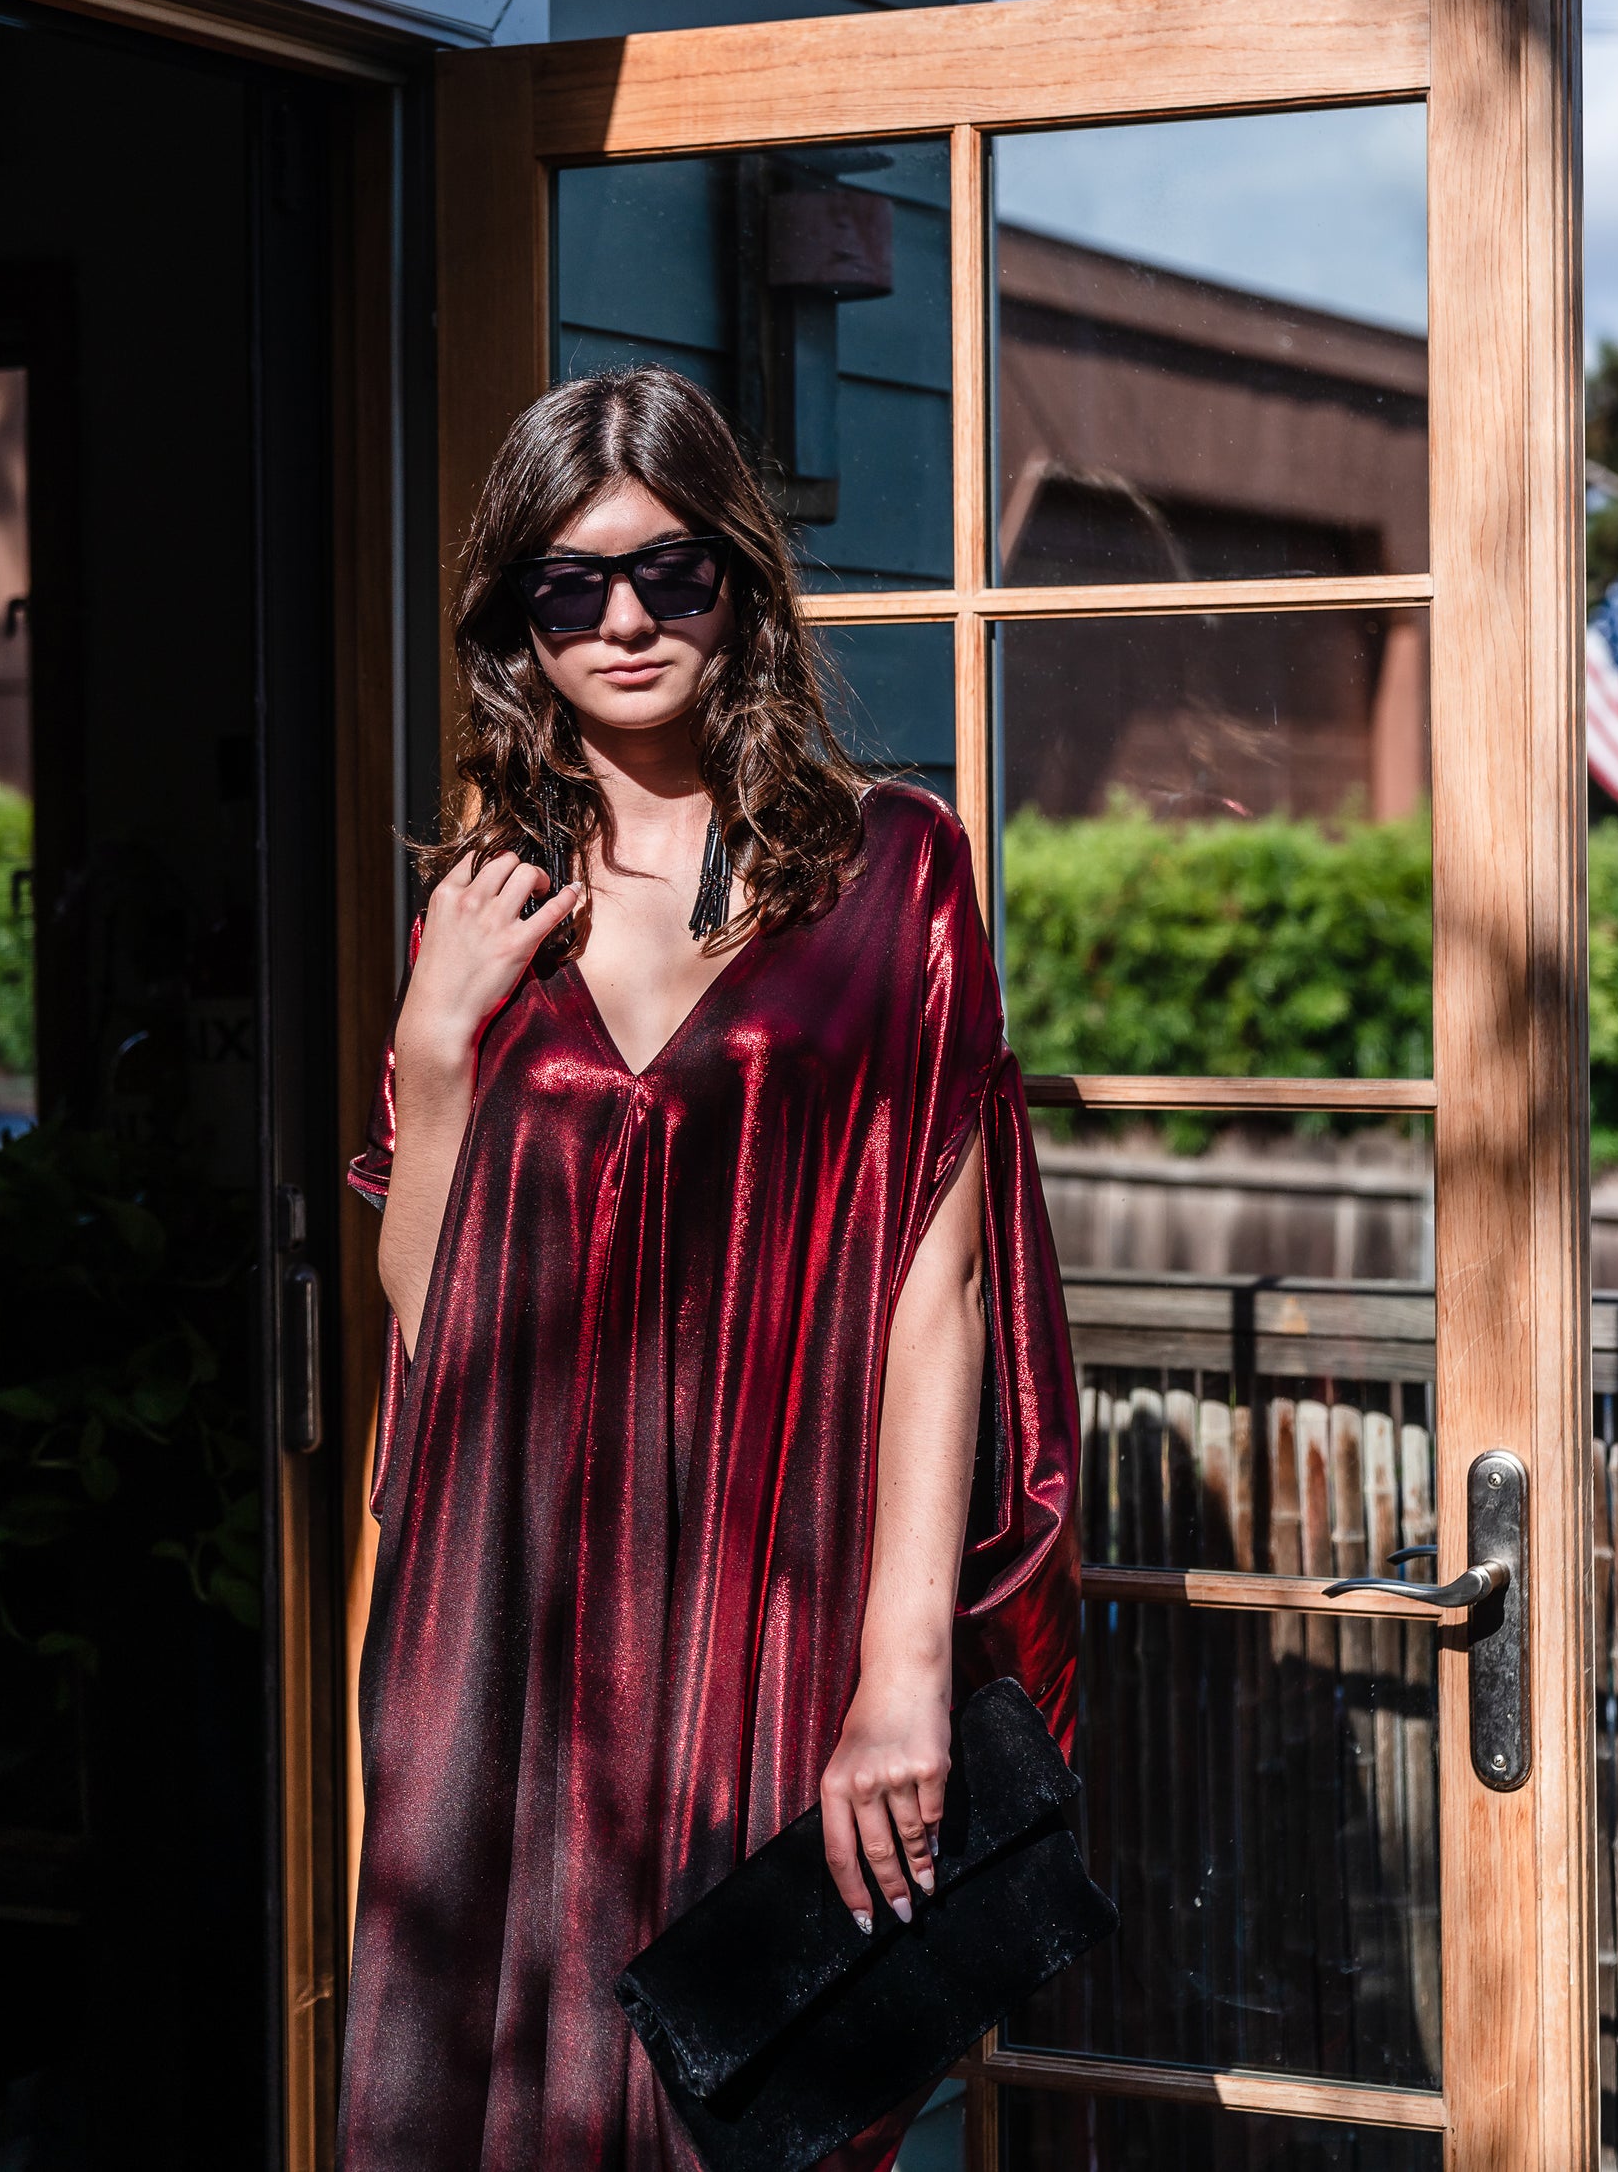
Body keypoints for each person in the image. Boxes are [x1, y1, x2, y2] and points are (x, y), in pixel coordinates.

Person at [338, 366, 1080, 2172]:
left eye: (668, 574)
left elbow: (937, 1290)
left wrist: (901, 1666)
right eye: (566, 587)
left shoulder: (893, 871)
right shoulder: (482, 904)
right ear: (515, 621)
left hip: (776, 1604)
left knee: (738, 2100)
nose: (620, 622)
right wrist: (435, 1052)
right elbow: (439, 1335)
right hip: (504, 1625)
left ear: (737, 584)